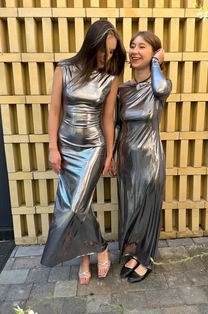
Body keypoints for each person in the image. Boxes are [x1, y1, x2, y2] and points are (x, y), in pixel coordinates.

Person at [41, 20, 126, 285]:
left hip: (93, 147)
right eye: (104, 50)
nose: (107, 57)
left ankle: (96, 248)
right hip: (66, 146)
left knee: (74, 206)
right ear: (91, 45)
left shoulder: (110, 78)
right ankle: (93, 251)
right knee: (76, 206)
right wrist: (53, 147)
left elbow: (108, 119)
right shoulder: (64, 69)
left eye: (112, 52)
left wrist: (109, 153)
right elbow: (55, 110)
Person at [110, 31, 172, 283]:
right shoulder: (123, 89)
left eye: (142, 47)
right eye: (132, 46)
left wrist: (157, 63)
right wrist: (112, 156)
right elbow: (116, 125)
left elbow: (158, 87)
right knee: (130, 209)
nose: (134, 51)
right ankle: (135, 254)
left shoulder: (162, 86)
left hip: (150, 158)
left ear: (154, 53)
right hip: (126, 160)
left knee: (147, 209)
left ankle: (146, 259)